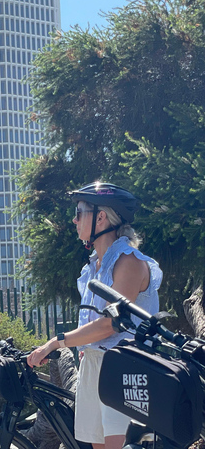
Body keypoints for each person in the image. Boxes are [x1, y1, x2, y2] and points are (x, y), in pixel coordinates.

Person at [27, 182, 162, 449]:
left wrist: (57, 342)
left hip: (125, 368)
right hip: (94, 365)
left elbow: (110, 325)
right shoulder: (95, 266)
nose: (75, 219)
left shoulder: (128, 262)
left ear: (101, 217)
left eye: (80, 212)